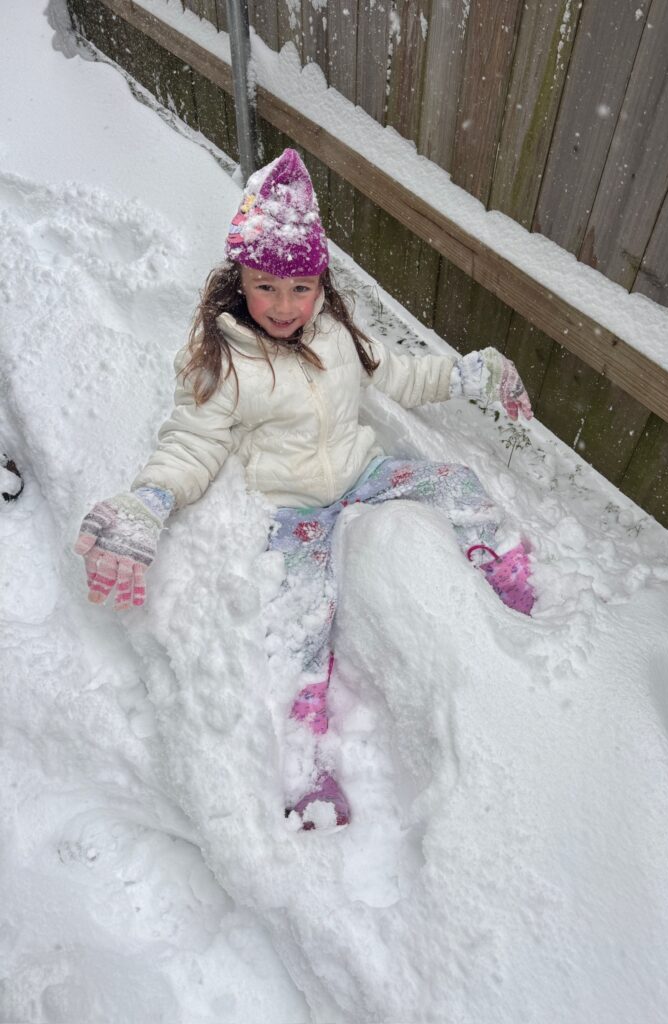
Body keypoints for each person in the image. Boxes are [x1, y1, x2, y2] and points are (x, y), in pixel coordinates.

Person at [74, 149, 534, 832]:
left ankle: (504, 574)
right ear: (239, 283)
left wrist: (471, 374)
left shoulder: (338, 334)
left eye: (300, 289)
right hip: (296, 510)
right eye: (266, 287)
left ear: (321, 285)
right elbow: (193, 442)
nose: (284, 307)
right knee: (302, 622)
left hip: (364, 475)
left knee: (455, 481)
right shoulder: (223, 361)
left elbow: (402, 376)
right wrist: (151, 500)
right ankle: (305, 769)